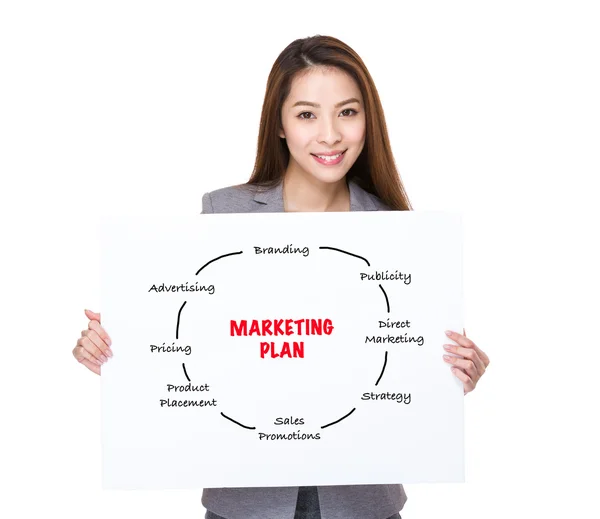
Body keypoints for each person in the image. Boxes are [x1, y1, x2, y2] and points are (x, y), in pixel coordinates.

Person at [73, 34, 490, 519]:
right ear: (280, 123)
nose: (330, 135)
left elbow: (406, 364)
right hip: (247, 502)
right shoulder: (222, 213)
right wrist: (114, 348)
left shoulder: (399, 232)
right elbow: (190, 338)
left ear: (367, 121)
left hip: (363, 503)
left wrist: (455, 372)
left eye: (348, 112)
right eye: (307, 114)